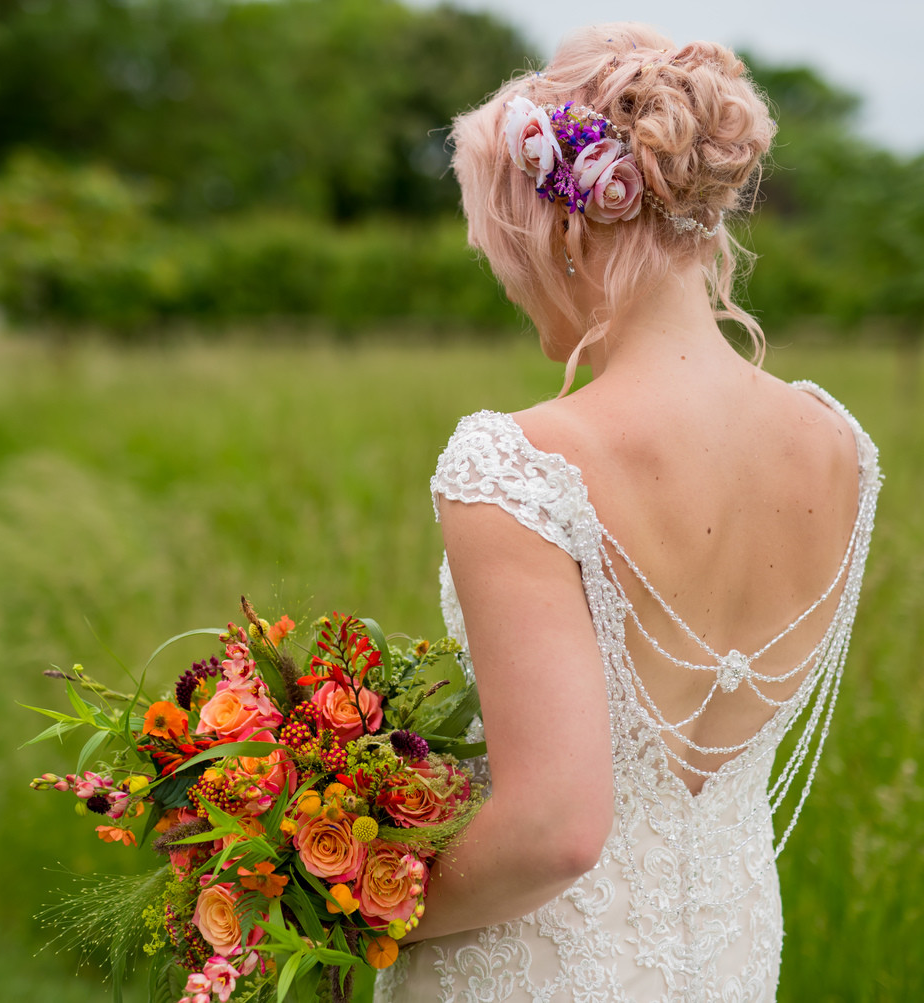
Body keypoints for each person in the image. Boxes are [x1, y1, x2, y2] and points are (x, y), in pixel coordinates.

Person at [376, 23, 882, 1003]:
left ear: (563, 228)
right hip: (730, 952)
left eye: (502, 243)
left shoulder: (515, 461)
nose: (512, 282)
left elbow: (554, 831)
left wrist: (348, 902)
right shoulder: (838, 446)